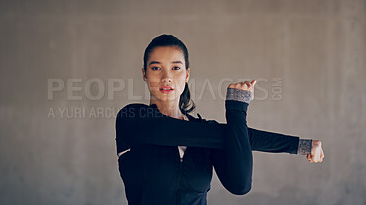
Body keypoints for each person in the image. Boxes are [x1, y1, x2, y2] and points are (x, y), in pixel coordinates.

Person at [115, 34, 324, 205]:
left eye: (175, 68)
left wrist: (237, 111)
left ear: (187, 74)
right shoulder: (132, 119)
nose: (166, 77)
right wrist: (299, 145)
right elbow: (227, 135)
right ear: (144, 74)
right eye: (156, 68)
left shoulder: (205, 135)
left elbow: (240, 185)